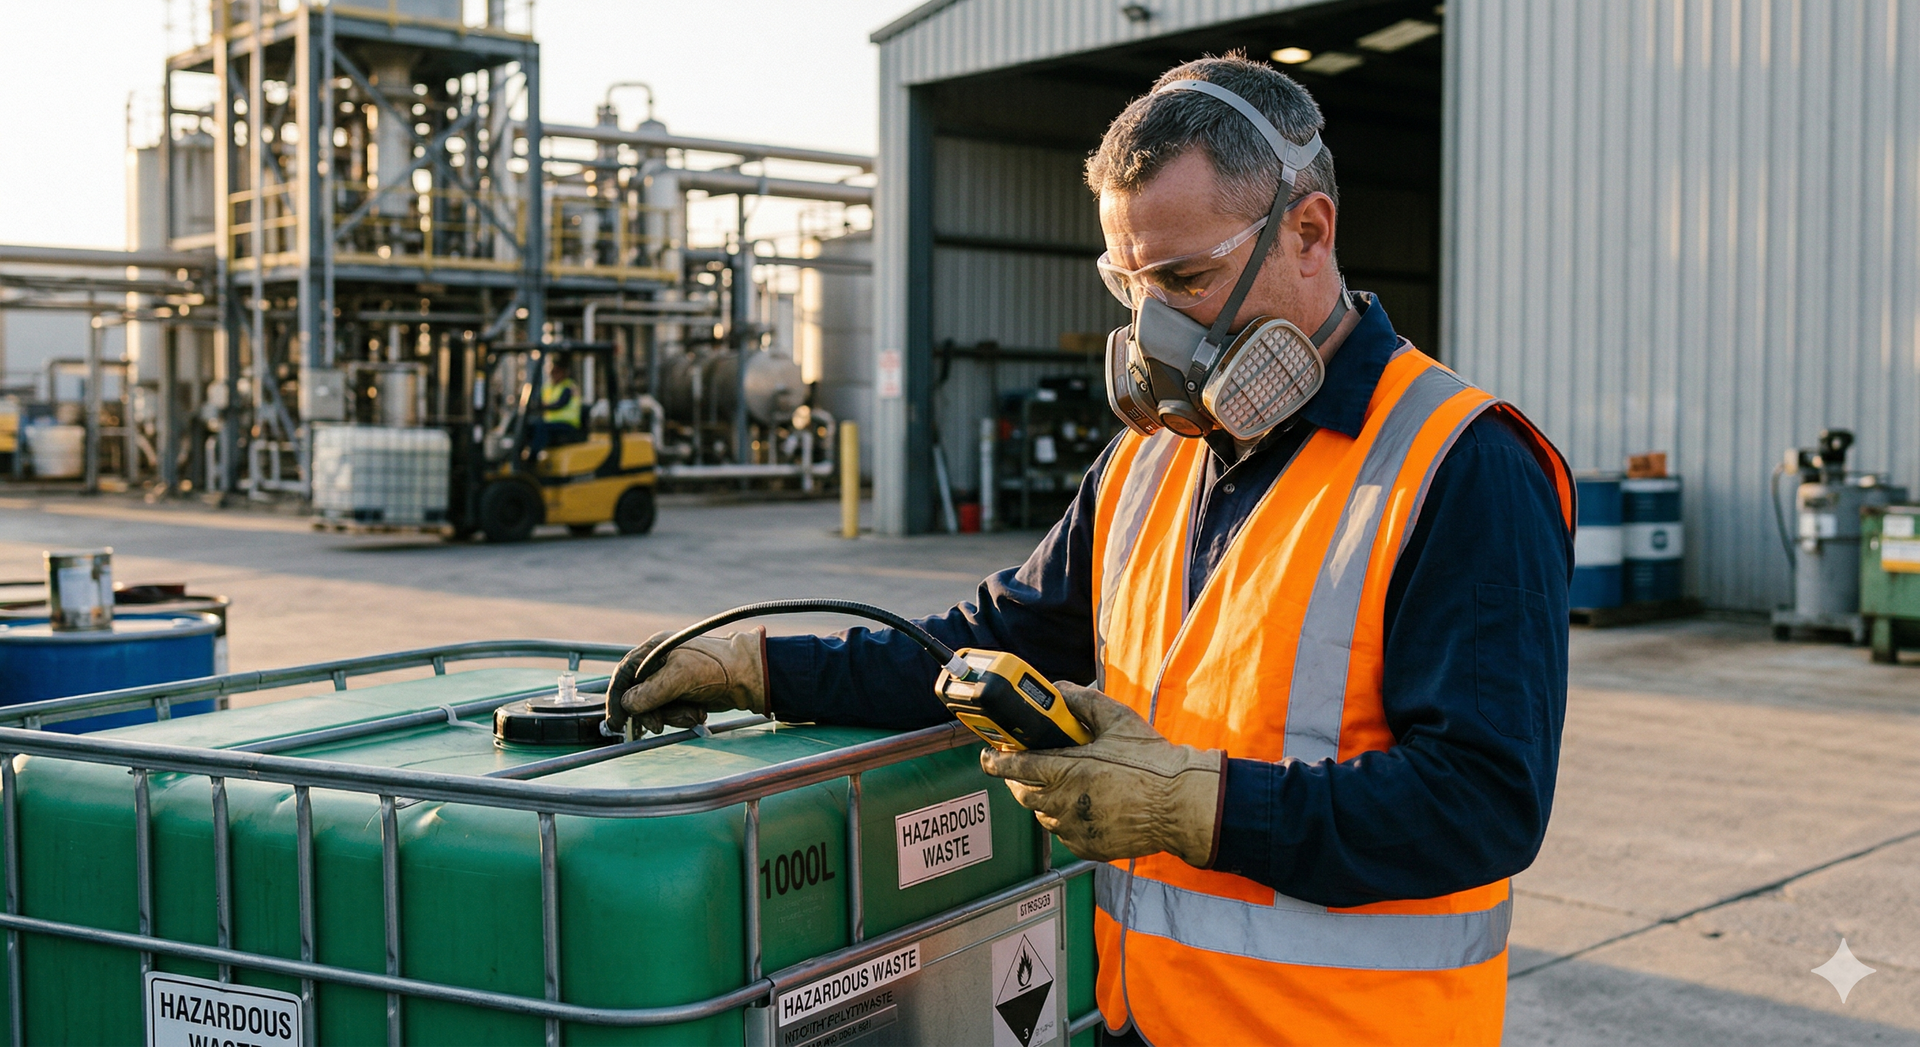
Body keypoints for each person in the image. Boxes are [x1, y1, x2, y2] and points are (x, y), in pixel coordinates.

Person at [606, 54, 1574, 1047]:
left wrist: (1196, 807)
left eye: (1187, 280)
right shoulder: (1149, 463)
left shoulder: (1460, 463)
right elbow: (987, 643)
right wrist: (762, 667)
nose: (1153, 332)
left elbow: (1483, 804)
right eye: (1132, 284)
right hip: (1141, 1024)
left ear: (1308, 232)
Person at [525, 355, 583, 460]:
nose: (554, 375)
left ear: (564, 373)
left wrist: (545, 406)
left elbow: (560, 403)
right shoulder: (549, 387)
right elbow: (540, 401)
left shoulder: (569, 387)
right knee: (530, 425)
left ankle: (533, 456)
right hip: (553, 423)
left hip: (568, 424)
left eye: (557, 372)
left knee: (541, 427)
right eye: (553, 372)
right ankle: (523, 452)